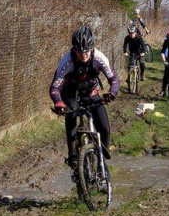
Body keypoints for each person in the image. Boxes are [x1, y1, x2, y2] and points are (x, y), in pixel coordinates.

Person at [50, 25, 120, 170]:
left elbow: (114, 79)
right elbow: (55, 87)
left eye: (87, 51)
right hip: (70, 95)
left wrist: (111, 93)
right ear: (74, 50)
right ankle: (73, 155)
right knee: (71, 116)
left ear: (92, 48)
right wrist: (59, 102)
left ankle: (102, 156)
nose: (84, 55)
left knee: (104, 127)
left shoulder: (99, 57)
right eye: (79, 52)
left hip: (91, 93)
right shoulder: (67, 61)